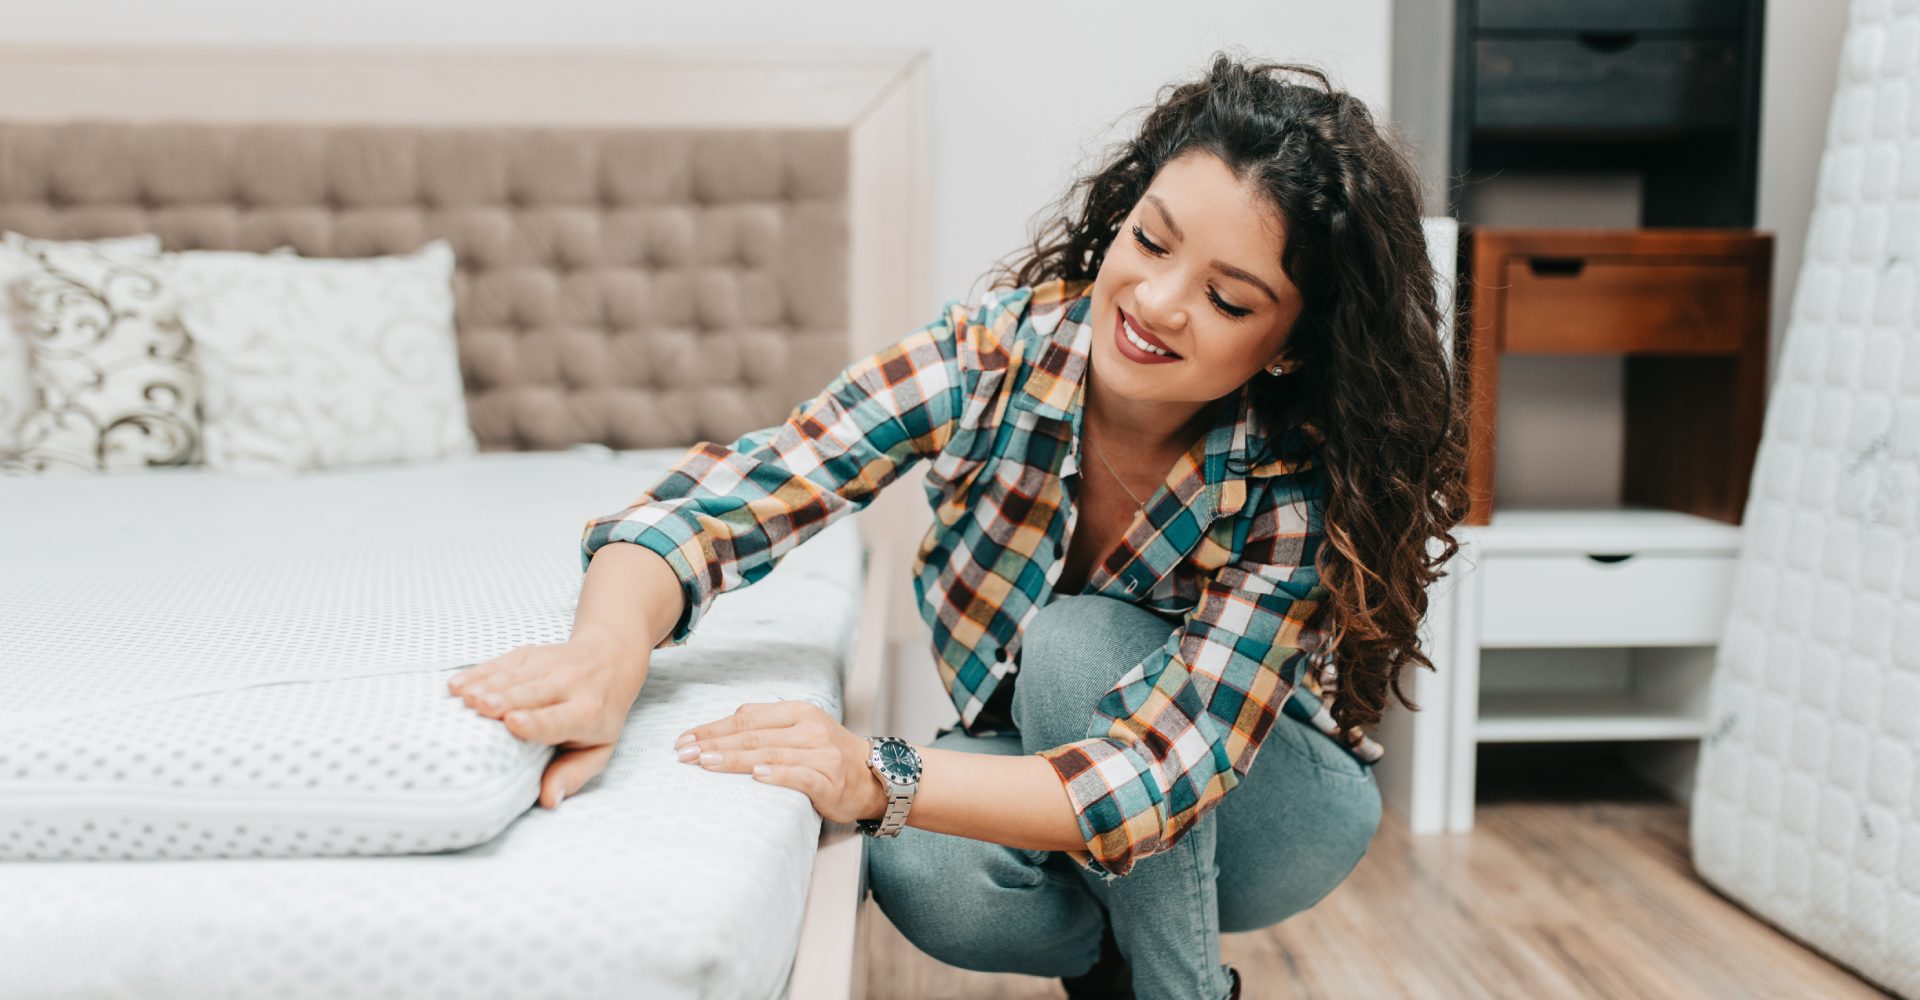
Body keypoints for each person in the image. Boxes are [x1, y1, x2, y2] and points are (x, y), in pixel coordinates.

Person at [447, 52, 1469, 1000]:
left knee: (1077, 638)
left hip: (1262, 806)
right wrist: (609, 650)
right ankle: (1123, 950)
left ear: (1288, 346)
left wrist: (873, 769)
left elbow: (1160, 773)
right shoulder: (994, 358)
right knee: (923, 866)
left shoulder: (1286, 485)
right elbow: (740, 494)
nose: (1155, 302)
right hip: (1062, 771)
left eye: (1227, 299)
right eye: (1150, 240)